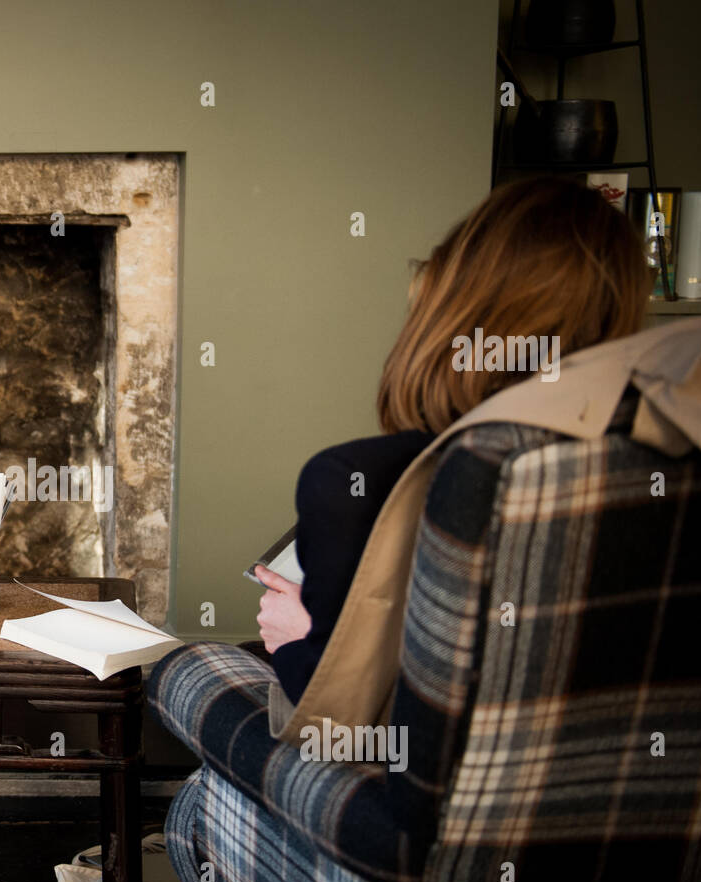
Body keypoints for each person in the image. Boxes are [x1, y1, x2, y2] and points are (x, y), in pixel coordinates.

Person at [252, 176, 651, 707]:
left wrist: (300, 641)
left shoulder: (363, 479)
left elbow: (338, 718)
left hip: (422, 784)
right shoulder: (667, 466)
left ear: (449, 320)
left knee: (191, 668)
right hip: (643, 779)